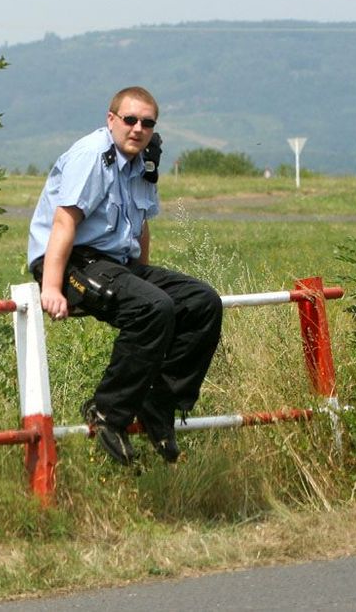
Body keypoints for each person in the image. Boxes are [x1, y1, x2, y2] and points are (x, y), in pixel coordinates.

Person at [28, 86, 223, 466]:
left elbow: (142, 225)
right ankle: (109, 413)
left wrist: (142, 277)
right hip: (72, 261)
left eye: (147, 122)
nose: (138, 128)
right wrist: (51, 286)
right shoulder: (92, 156)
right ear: (111, 119)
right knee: (154, 308)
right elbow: (64, 221)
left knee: (203, 303)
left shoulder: (144, 161)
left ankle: (157, 404)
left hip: (116, 263)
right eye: (130, 120)